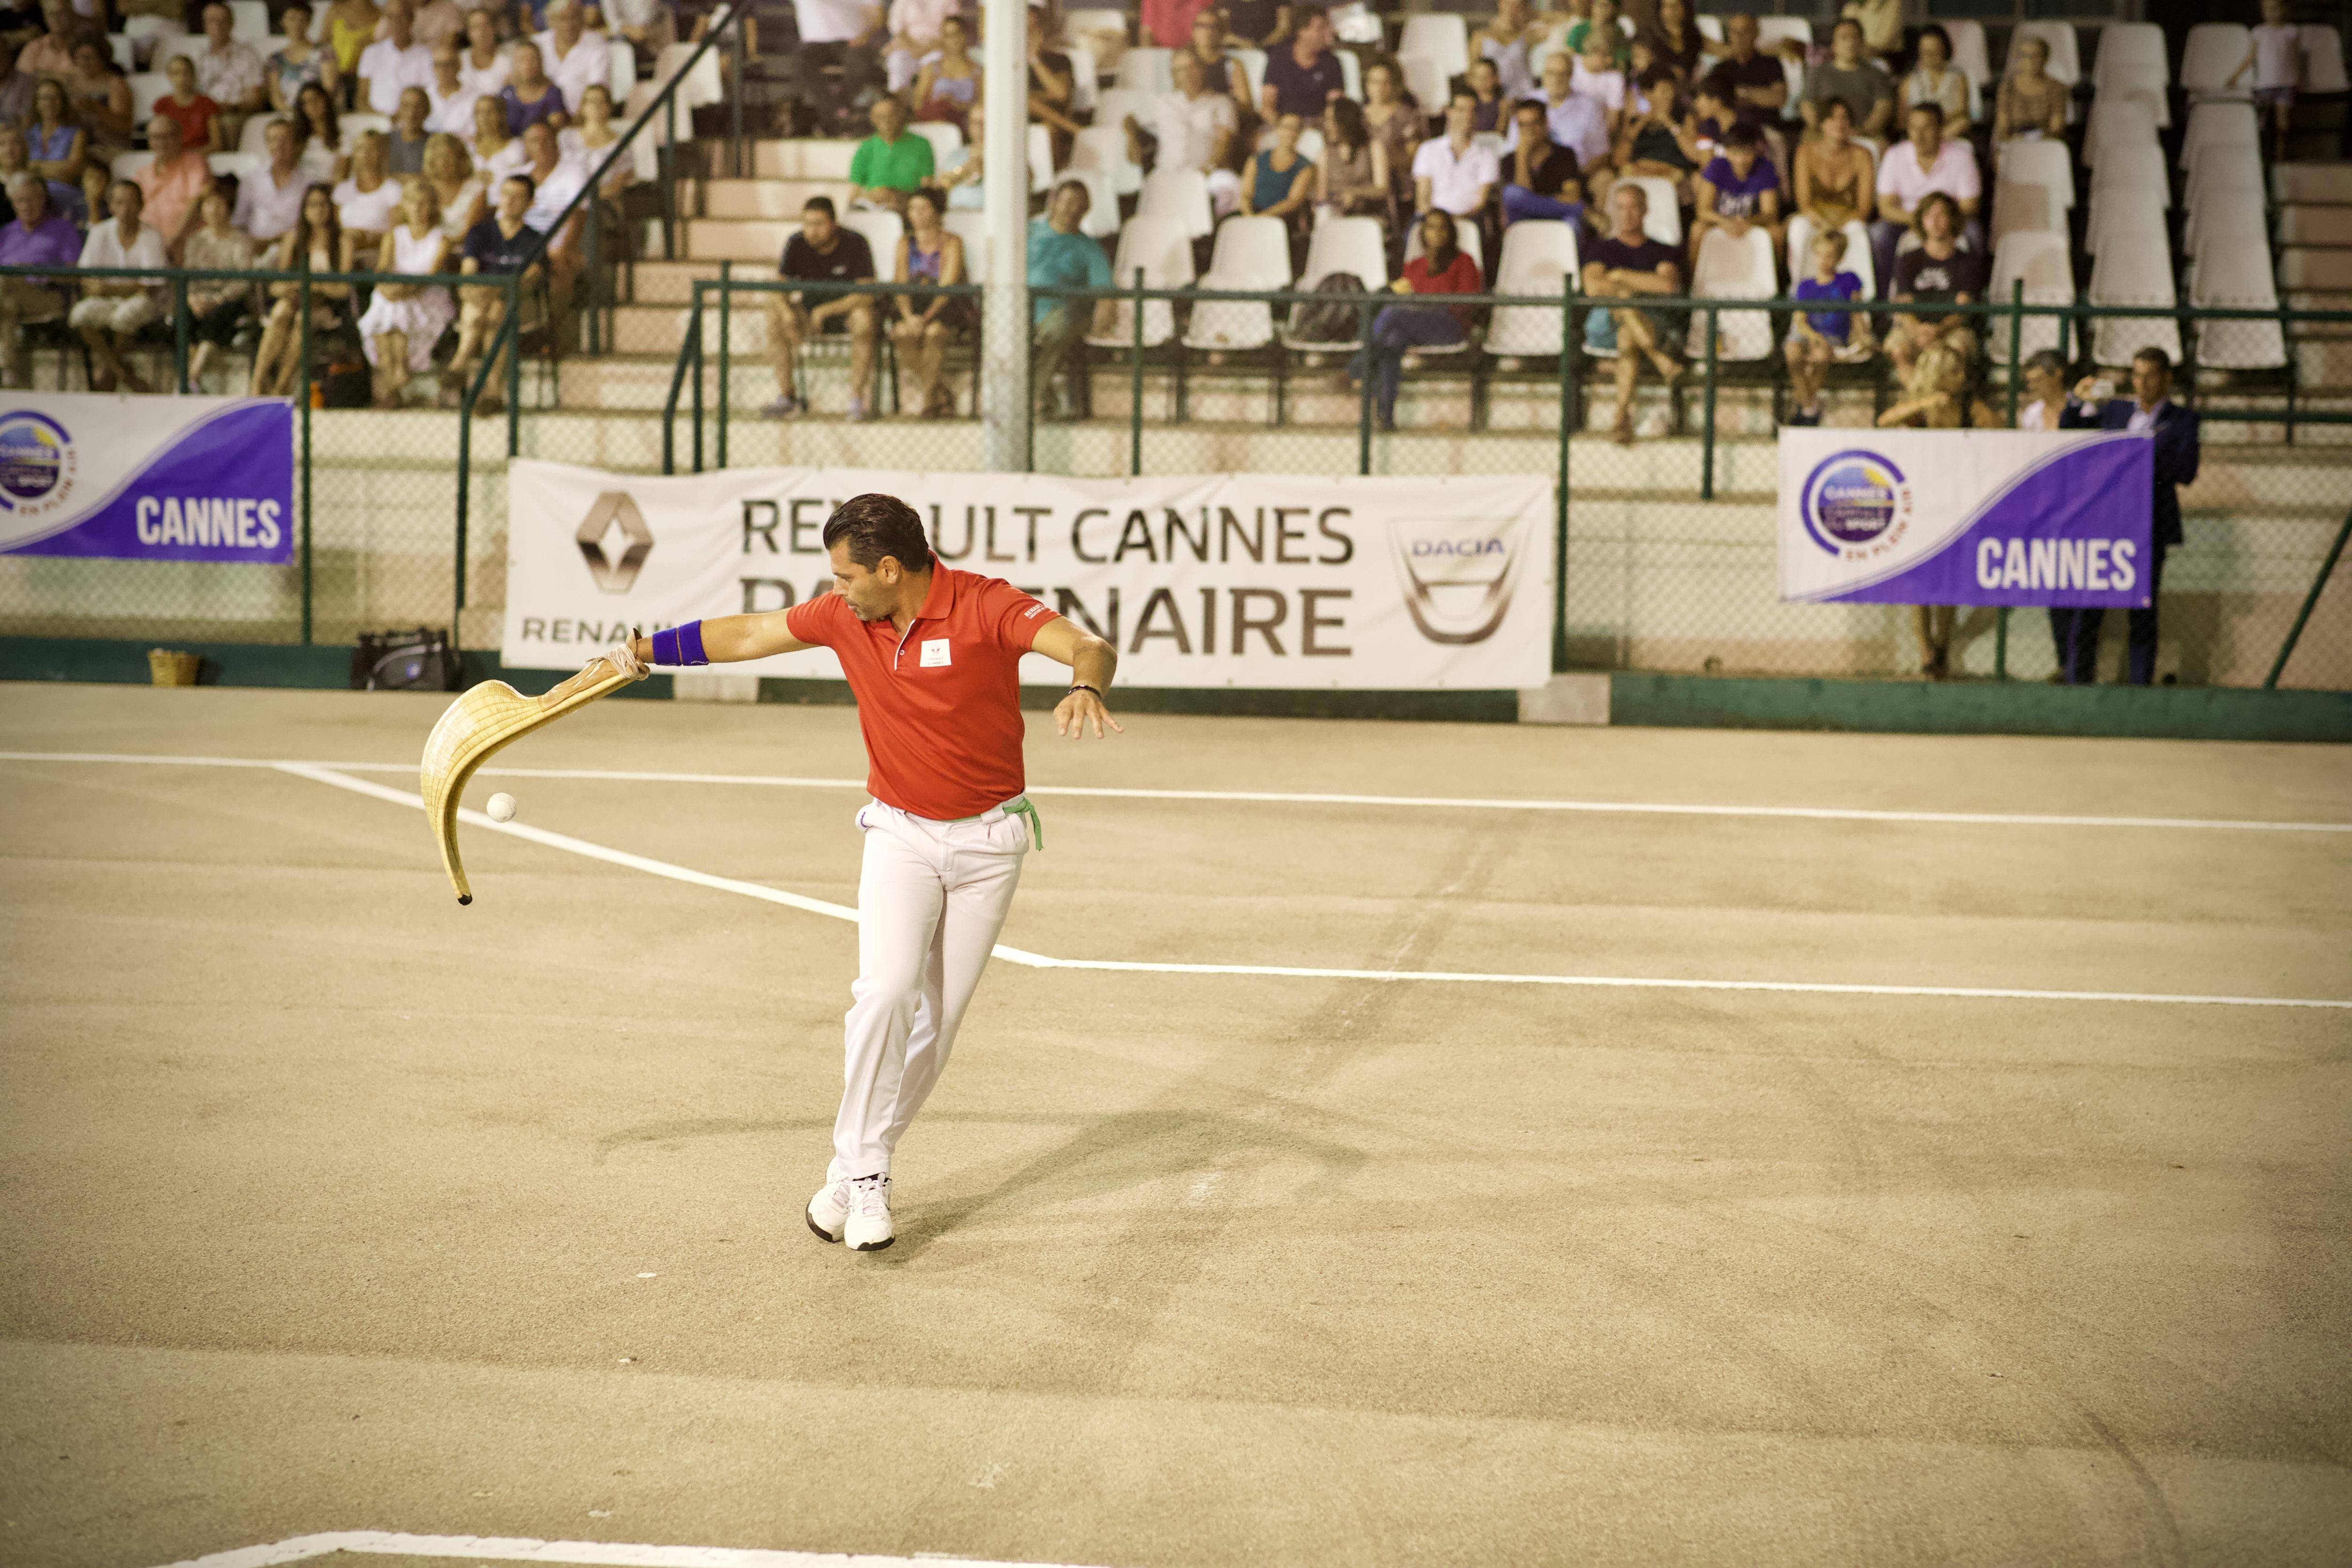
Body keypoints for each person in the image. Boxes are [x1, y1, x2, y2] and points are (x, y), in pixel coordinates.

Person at [611, 491, 1121, 1255]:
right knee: (885, 992)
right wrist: (646, 649)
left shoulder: (985, 605)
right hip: (900, 833)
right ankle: (871, 1170)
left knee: (935, 1026)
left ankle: (849, 1175)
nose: (837, 589)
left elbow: (1088, 645)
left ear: (889, 569)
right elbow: (749, 633)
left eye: (846, 576)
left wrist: (1086, 684)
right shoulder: (845, 617)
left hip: (990, 845)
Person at [2052, 347, 2199, 686]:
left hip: (2149, 525)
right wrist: (2077, 401)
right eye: (2137, 375)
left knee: (2143, 608)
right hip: (2105, 523)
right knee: (2089, 605)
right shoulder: (2115, 411)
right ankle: (2079, 681)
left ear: (2166, 379)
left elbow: (2187, 471)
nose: (2142, 383)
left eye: (2150, 376)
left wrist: (2141, 460)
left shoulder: (2183, 420)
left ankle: (2140, 685)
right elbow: (2070, 431)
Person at [1346, 207, 1478, 431]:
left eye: (1443, 228)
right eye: (1431, 228)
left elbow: (1467, 304)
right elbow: (1403, 293)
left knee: (1393, 314)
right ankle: (1385, 417)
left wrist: (1429, 307)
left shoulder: (1464, 262)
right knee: (1391, 342)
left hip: (1448, 326)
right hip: (1413, 325)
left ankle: (1355, 367)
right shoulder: (1415, 266)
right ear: (1423, 233)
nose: (1437, 233)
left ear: (1451, 233)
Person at [1581, 179, 1681, 445]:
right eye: (1621, 207)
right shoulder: (1601, 248)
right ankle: (1658, 357)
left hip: (1649, 321)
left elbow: (1666, 285)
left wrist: (1620, 276)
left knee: (1627, 336)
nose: (1627, 214)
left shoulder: (1663, 250)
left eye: (1633, 207)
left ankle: (1621, 417)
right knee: (1624, 301)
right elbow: (1593, 287)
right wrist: (1635, 288)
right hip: (1604, 323)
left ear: (1645, 210)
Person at [762, 194, 878, 421]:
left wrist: (826, 311)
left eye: (819, 224)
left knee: (864, 319)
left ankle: (856, 399)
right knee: (775, 316)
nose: (812, 231)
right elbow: (777, 287)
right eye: (807, 224)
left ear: (833, 224)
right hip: (809, 315)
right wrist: (787, 314)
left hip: (845, 313)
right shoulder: (796, 243)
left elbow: (866, 293)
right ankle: (787, 396)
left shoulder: (856, 243)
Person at [1878, 190, 1981, 431]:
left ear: (1952, 220)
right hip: (1915, 327)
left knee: (1952, 354)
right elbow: (1903, 306)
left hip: (1951, 329)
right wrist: (1918, 330)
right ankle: (1929, 404)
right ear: (1921, 221)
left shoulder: (1968, 262)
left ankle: (1919, 411)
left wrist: (1938, 330)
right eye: (1928, 215)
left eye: (1941, 215)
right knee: (1898, 349)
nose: (1935, 221)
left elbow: (1963, 311)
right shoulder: (1908, 260)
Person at [353, 174, 454, 404]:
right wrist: (391, 291)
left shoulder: (441, 240)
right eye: (413, 202)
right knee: (388, 305)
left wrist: (401, 293)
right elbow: (383, 271)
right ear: (405, 206)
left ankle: (394, 382)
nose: (418, 209)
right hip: (395, 295)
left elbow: (429, 278)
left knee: (392, 308)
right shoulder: (393, 237)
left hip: (427, 298)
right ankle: (396, 374)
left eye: (424, 203)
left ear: (432, 207)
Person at [250, 181, 353, 396]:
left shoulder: (343, 241)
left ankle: (281, 386)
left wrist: (317, 286)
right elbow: (277, 286)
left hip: (326, 305)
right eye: (312, 205)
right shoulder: (294, 239)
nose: (318, 210)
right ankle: (257, 381)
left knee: (302, 319)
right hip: (295, 298)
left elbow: (343, 289)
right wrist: (298, 286)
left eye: (323, 204)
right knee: (281, 313)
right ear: (304, 209)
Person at [445, 169, 538, 407]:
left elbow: (530, 279)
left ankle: (460, 364)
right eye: (505, 194)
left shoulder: (535, 239)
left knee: (499, 309)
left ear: (530, 203)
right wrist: (480, 292)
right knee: (486, 309)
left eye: (517, 196)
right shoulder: (480, 232)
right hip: (480, 300)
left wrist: (496, 291)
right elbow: (468, 271)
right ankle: (493, 391)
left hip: (518, 303)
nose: (509, 201)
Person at [1870, 100, 1978, 294]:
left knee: (1973, 234)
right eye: (1913, 128)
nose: (1919, 136)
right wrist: (1923, 220)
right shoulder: (1895, 155)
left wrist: (1939, 219)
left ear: (1940, 129)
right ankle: (1885, 300)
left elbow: (1970, 205)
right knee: (1879, 234)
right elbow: (1885, 207)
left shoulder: (1961, 156)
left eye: (1926, 128)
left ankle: (1970, 298)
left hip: (1947, 221)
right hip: (1906, 220)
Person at [72, 178, 168, 392]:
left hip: (143, 302)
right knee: (80, 314)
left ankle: (109, 375)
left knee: (124, 317)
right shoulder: (99, 232)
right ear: (111, 206)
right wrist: (126, 287)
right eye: (119, 203)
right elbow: (87, 280)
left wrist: (107, 288)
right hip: (106, 301)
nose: (125, 209)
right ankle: (122, 373)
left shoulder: (152, 236)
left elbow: (150, 287)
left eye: (131, 202)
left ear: (141, 205)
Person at [1027, 178, 1110, 422]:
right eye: (1067, 202)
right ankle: (1041, 397)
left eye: (1079, 204)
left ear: (1086, 209)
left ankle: (1034, 396)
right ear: (1053, 202)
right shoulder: (1028, 233)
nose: (1072, 209)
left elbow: (1105, 292)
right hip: (1021, 308)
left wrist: (1103, 318)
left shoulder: (1089, 248)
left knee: (1057, 330)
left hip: (1063, 312)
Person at [1128, 48, 1239, 212]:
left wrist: (1206, 170)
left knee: (1228, 186)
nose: (1187, 74)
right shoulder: (1162, 103)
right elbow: (1133, 126)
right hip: (1167, 172)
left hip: (1208, 173)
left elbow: (1224, 145)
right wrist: (1130, 131)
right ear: (1174, 75)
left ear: (1203, 69)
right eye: (1180, 70)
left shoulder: (1221, 103)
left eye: (1192, 67)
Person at [888, 184, 963, 418]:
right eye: (913, 209)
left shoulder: (952, 242)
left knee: (934, 334)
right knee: (902, 333)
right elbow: (900, 284)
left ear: (937, 211)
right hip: (913, 304)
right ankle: (940, 393)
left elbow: (948, 286)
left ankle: (929, 400)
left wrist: (927, 317)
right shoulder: (905, 243)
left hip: (943, 304)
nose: (917, 214)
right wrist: (909, 316)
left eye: (924, 208)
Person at [1782, 226, 1869, 425]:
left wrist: (1862, 337)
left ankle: (1806, 409)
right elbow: (1800, 322)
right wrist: (1814, 337)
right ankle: (1809, 408)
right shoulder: (1805, 286)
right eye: (1819, 255)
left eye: (1829, 256)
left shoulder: (1849, 281)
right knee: (1792, 352)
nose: (1823, 261)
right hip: (1808, 334)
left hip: (1833, 335)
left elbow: (1857, 313)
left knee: (1821, 356)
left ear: (1839, 258)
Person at [0, 172, 79, 385]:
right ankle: (9, 370)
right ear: (13, 203)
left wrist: (36, 271)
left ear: (44, 199)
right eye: (21, 200)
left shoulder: (63, 230)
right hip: (9, 299)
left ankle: (8, 369)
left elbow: (73, 276)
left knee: (5, 288)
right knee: (7, 303)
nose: (27, 206)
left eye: (33, 199)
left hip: (48, 295)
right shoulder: (5, 234)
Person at [180, 184, 257, 389]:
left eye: (219, 205)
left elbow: (243, 281)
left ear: (229, 207)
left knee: (217, 318)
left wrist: (217, 299)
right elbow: (187, 276)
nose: (214, 210)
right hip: (199, 299)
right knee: (184, 317)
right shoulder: (195, 241)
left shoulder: (241, 241)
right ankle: (188, 378)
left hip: (228, 300)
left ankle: (191, 378)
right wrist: (193, 298)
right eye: (209, 204)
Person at [1518, 46, 1609, 175]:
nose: (1556, 79)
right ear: (1543, 75)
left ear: (1571, 76)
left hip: (1578, 174)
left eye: (1562, 74)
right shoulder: (1528, 102)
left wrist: (1576, 177)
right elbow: (1513, 146)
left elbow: (1601, 153)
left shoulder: (1589, 106)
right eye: (1550, 73)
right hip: (1534, 176)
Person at [2228, 0, 2300, 162]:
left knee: (2283, 123)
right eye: (2267, 10)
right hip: (2265, 85)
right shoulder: (2259, 32)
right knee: (2261, 121)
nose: (2272, 14)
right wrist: (2235, 76)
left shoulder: (2292, 31)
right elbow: (2251, 57)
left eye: (2275, 9)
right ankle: (2258, 153)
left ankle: (2280, 155)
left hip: (2286, 84)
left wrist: (2298, 79)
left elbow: (2295, 58)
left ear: (2284, 9)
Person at [1412, 88, 1498, 223]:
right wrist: (1438, 223)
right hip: (1430, 221)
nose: (1467, 116)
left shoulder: (1487, 156)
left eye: (1472, 111)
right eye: (1461, 110)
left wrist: (1452, 223)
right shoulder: (1427, 149)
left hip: (1469, 221)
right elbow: (1423, 198)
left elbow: (1480, 203)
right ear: (1449, 112)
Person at [1793, 95, 1873, 237]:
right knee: (1799, 226)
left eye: (1844, 118)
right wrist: (1827, 229)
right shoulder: (1805, 153)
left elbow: (1864, 208)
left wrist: (1839, 231)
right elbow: (1804, 204)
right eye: (1832, 118)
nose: (1839, 124)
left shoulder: (1862, 156)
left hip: (1849, 223)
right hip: (1816, 221)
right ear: (1822, 123)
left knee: (1858, 229)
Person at [135, 114, 215, 255]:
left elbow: (196, 204)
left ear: (179, 137)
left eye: (168, 136)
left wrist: (174, 240)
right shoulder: (142, 174)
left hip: (188, 244)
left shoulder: (195, 164)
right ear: (149, 141)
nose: (162, 142)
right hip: (148, 247)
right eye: (156, 137)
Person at [194, 1, 267, 154]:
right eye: (212, 21)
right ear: (205, 25)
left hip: (233, 113)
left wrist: (231, 107)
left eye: (223, 21)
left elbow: (255, 100)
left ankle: (227, 165)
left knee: (227, 124)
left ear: (232, 24)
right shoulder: (198, 56)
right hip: (202, 113)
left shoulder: (248, 55)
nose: (218, 26)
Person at [1801, 17, 1891, 139]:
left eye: (1855, 38)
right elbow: (1807, 105)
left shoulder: (1877, 75)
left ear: (1862, 43)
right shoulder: (1818, 73)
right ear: (1834, 45)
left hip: (1865, 136)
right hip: (1824, 135)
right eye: (1844, 38)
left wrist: (1863, 131)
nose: (1851, 43)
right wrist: (1822, 128)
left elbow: (1882, 108)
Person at [1616, 65, 1701, 193]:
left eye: (1672, 90)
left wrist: (1670, 124)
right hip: (1640, 176)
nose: (1670, 96)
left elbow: (1695, 156)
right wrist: (1641, 124)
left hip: (1672, 179)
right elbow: (1618, 160)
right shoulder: (1635, 122)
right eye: (1664, 91)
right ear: (1647, 94)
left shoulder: (1684, 119)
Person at [1692, 118, 1777, 246]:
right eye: (1735, 153)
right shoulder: (1716, 167)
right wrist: (1725, 222)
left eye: (1746, 153)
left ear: (1755, 151)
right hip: (1720, 223)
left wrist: (1747, 222)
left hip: (1751, 224)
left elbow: (1770, 213)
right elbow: (1703, 210)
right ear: (1726, 152)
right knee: (1698, 229)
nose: (1741, 160)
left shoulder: (1765, 168)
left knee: (1776, 232)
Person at [1500, 96, 1584, 225]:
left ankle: (1579, 211)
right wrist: (1523, 156)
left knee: (1572, 223)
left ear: (1545, 123)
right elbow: (1520, 197)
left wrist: (1541, 204)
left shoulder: (1564, 154)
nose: (1529, 130)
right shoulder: (1509, 160)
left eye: (1534, 123)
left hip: (1556, 218)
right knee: (1512, 193)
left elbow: (1572, 196)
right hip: (1524, 221)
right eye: (1523, 125)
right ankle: (1584, 211)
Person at [231, 116, 314, 243]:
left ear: (295, 144)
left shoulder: (309, 182)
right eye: (274, 140)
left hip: (293, 246)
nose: (279, 145)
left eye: (285, 140)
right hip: (256, 245)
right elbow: (239, 221)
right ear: (267, 144)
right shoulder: (251, 179)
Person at [848, 92, 932, 214]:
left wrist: (901, 198)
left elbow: (927, 189)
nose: (886, 121)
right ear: (872, 118)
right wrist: (874, 195)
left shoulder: (921, 145)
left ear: (901, 115)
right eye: (880, 116)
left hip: (908, 209)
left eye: (891, 116)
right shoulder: (866, 147)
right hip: (873, 208)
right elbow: (854, 192)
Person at [1359, 57, 1425, 207]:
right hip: (1363, 182)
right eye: (1375, 82)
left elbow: (1413, 156)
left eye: (1385, 83)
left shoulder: (1406, 116)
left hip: (1398, 183)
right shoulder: (1357, 116)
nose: (1380, 88)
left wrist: (1382, 162)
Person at [1259, 3, 1341, 121]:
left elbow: (1335, 106)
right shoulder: (1279, 59)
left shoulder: (1331, 63)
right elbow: (1268, 106)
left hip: (1318, 124)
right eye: (1321, 28)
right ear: (1302, 31)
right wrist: (1281, 127)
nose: (1328, 33)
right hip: (1284, 123)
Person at [1241, 107, 1315, 237]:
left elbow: (1293, 201)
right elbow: (1246, 194)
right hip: (1253, 214)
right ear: (1277, 129)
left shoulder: (1305, 167)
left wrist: (1262, 218)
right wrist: (1249, 217)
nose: (1291, 133)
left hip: (1282, 219)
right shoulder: (1256, 160)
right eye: (1287, 128)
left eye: (1296, 129)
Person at [1316, 95, 1385, 226]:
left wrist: (1355, 193)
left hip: (1368, 215)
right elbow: (1322, 195)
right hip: (1336, 213)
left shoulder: (1373, 148)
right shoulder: (1326, 155)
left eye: (1331, 120)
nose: (1327, 125)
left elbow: (1382, 189)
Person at [61, 38, 132, 165]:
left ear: (103, 58)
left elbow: (124, 127)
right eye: (81, 57)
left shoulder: (115, 84)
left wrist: (96, 108)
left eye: (90, 58)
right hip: (73, 145)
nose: (85, 62)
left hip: (107, 147)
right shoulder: (69, 82)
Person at [333, 129, 400, 263]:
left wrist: (367, 237)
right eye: (360, 149)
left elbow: (396, 232)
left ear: (382, 153)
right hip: (344, 248)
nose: (366, 155)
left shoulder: (393, 189)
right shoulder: (342, 190)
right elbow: (335, 228)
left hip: (378, 252)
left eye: (372, 149)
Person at [358, 0, 433, 116]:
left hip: (413, 120)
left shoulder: (426, 55)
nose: (397, 23)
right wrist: (382, 119)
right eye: (391, 17)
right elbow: (361, 99)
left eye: (402, 17)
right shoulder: (371, 53)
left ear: (411, 19)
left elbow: (428, 97)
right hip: (376, 120)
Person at [266, 4, 344, 117]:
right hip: (289, 115)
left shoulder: (324, 53)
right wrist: (291, 114)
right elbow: (275, 96)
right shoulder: (275, 59)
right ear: (283, 21)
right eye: (292, 19)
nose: (297, 24)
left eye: (302, 20)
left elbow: (329, 89)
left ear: (309, 22)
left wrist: (310, 112)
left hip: (319, 113)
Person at [1709, 12, 1788, 122]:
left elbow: (1779, 99)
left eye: (1745, 31)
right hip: (1733, 128)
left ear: (1756, 33)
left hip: (1766, 125)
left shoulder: (1771, 64)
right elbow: (1715, 102)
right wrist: (1758, 95)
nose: (1739, 37)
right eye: (1734, 31)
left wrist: (1740, 93)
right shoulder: (1721, 69)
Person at [533, 0, 608, 115]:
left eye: (574, 18)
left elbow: (597, 88)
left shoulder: (596, 43)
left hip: (583, 115)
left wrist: (580, 116)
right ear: (552, 21)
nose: (569, 25)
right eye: (563, 19)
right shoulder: (538, 44)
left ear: (582, 20)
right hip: (543, 116)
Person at [21, 78, 84, 215]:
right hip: (30, 195)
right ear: (36, 103)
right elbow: (21, 169)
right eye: (44, 98)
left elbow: (71, 172)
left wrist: (36, 166)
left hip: (64, 195)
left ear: (63, 102)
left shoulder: (76, 134)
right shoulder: (27, 135)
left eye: (54, 98)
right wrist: (57, 169)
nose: (49, 103)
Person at [1900, 24, 1971, 141]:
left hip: (1948, 133)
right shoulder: (1908, 82)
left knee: (1962, 123)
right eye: (1925, 52)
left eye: (1934, 52)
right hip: (1919, 134)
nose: (1930, 57)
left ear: (1944, 50)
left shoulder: (1958, 78)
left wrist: (1936, 127)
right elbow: (1902, 121)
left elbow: (1961, 113)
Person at [558, 80, 628, 196]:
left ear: (609, 106)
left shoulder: (621, 142)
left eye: (601, 101)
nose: (596, 106)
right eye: (591, 101)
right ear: (583, 107)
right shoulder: (566, 137)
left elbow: (623, 177)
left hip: (602, 198)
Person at [908, 12, 979, 125]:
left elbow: (982, 104)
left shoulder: (978, 71)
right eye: (948, 36)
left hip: (965, 123)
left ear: (965, 35)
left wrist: (957, 105)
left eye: (957, 34)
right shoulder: (931, 68)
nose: (954, 40)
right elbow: (918, 103)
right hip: (936, 123)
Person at [1992, 34, 2065, 143]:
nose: (2030, 60)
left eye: (2036, 56)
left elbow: (2057, 127)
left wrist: (2037, 139)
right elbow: (2002, 125)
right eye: (2025, 56)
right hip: (2013, 141)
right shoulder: (2007, 87)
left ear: (2046, 58)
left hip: (2044, 142)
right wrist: (2015, 139)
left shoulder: (2056, 88)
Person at [1472, 0, 1543, 100]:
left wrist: (1533, 14)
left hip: (1523, 95)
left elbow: (1561, 18)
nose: (1511, 9)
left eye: (1517, 6)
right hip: (1493, 99)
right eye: (1508, 4)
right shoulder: (1480, 36)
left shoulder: (1528, 36)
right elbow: (1472, 72)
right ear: (1500, 3)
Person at [420, 127, 484, 239]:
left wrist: (445, 245)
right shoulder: (423, 189)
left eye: (449, 155)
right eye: (439, 156)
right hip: (427, 246)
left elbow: (468, 234)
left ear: (460, 158)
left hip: (462, 247)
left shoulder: (476, 190)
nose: (444, 162)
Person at [497, 40, 567, 134]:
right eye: (522, 59)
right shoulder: (506, 93)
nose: (528, 64)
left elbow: (557, 126)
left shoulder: (553, 94)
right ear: (514, 64)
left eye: (532, 59)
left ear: (540, 62)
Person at [1570, 28, 1627, 137]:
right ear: (1593, 51)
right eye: (1606, 56)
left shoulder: (1615, 78)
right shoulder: (1571, 65)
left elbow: (1613, 119)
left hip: (1596, 132)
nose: (1610, 61)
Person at [293, 80, 349, 183]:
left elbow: (341, 175)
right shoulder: (297, 138)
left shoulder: (342, 138)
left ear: (325, 101)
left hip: (327, 188)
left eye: (315, 99)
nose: (312, 106)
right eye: (306, 103)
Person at [1637, 0, 1701, 83]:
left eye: (1675, 6)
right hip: (1656, 86)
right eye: (1666, 6)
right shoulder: (1649, 36)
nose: (1671, 11)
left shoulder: (1693, 36)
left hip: (1686, 86)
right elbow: (1642, 66)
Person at [423, 36, 478, 133]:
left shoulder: (475, 98)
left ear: (459, 66)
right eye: (438, 65)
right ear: (433, 68)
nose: (443, 70)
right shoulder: (424, 96)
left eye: (448, 64)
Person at [469, 89, 524, 184]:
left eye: (490, 112)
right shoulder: (469, 149)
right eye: (479, 112)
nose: (484, 118)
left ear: (501, 115)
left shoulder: (515, 147)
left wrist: (495, 177)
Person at [325, 0, 383, 82]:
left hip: (361, 79)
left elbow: (379, 52)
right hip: (330, 79)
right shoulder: (335, 9)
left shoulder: (381, 16)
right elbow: (324, 43)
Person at [457, 8, 509, 98]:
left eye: (486, 25)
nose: (482, 32)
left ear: (495, 29)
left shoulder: (508, 58)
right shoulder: (459, 60)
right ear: (469, 33)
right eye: (476, 27)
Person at [2013, 345, 2066, 431]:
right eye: (2030, 382)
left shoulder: (2078, 409)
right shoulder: (2032, 413)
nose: (2032, 387)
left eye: (2038, 380)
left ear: (2057, 375)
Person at [1562, 0, 1629, 69]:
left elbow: (1622, 60)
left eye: (1605, 6)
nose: (1601, 9)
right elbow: (1570, 55)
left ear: (1614, 9)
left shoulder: (1618, 32)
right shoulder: (1580, 29)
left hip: (1608, 71)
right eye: (1597, 4)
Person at [1839, 0, 1900, 69]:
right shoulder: (1851, 7)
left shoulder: (1892, 4)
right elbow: (1844, 34)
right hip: (1856, 57)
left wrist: (1860, 49)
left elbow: (1886, 41)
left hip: (1886, 57)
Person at [387, 83, 432, 172]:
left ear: (427, 110)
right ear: (399, 110)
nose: (412, 112)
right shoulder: (385, 142)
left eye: (418, 107)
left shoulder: (435, 144)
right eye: (406, 106)